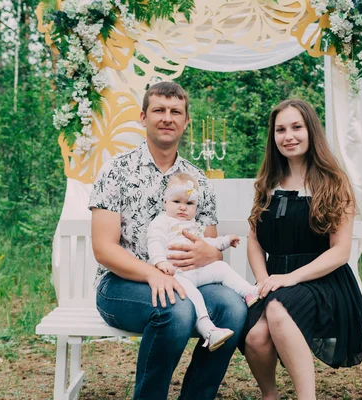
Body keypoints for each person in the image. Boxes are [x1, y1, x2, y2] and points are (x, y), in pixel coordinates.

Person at [88, 81, 247, 400]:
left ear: (186, 122)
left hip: (187, 279)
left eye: (175, 111)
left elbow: (211, 252)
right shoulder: (117, 171)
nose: (167, 117)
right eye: (159, 110)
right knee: (175, 307)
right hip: (122, 284)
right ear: (143, 117)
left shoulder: (197, 180)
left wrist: (207, 251)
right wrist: (152, 274)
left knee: (233, 307)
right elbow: (103, 249)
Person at [241, 99, 362, 400]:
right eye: (280, 130)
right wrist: (262, 280)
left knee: (277, 308)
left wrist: (291, 278)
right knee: (256, 336)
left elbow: (340, 252)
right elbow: (254, 240)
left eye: (297, 127)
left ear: (311, 131)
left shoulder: (334, 183)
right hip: (275, 280)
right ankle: (270, 395)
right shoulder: (267, 183)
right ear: (273, 137)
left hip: (323, 280)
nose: (289, 136)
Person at [147, 172, 260, 351]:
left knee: (221, 268)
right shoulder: (162, 222)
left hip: (198, 271)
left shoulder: (193, 224)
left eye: (189, 203)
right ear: (165, 202)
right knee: (193, 296)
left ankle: (249, 293)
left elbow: (205, 243)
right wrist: (160, 262)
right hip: (177, 275)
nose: (183, 208)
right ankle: (208, 329)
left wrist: (224, 241)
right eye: (177, 202)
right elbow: (154, 242)